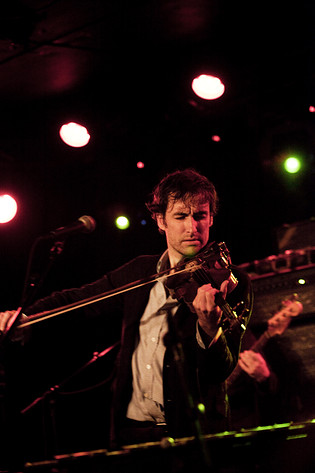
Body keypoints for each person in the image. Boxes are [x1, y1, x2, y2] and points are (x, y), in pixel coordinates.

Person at [0, 168, 253, 458]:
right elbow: (79, 299)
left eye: (200, 216)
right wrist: (25, 315)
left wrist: (210, 328)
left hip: (192, 438)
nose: (192, 228)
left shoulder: (231, 282)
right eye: (181, 216)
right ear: (161, 220)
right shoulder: (139, 272)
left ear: (210, 218)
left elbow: (219, 371)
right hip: (129, 433)